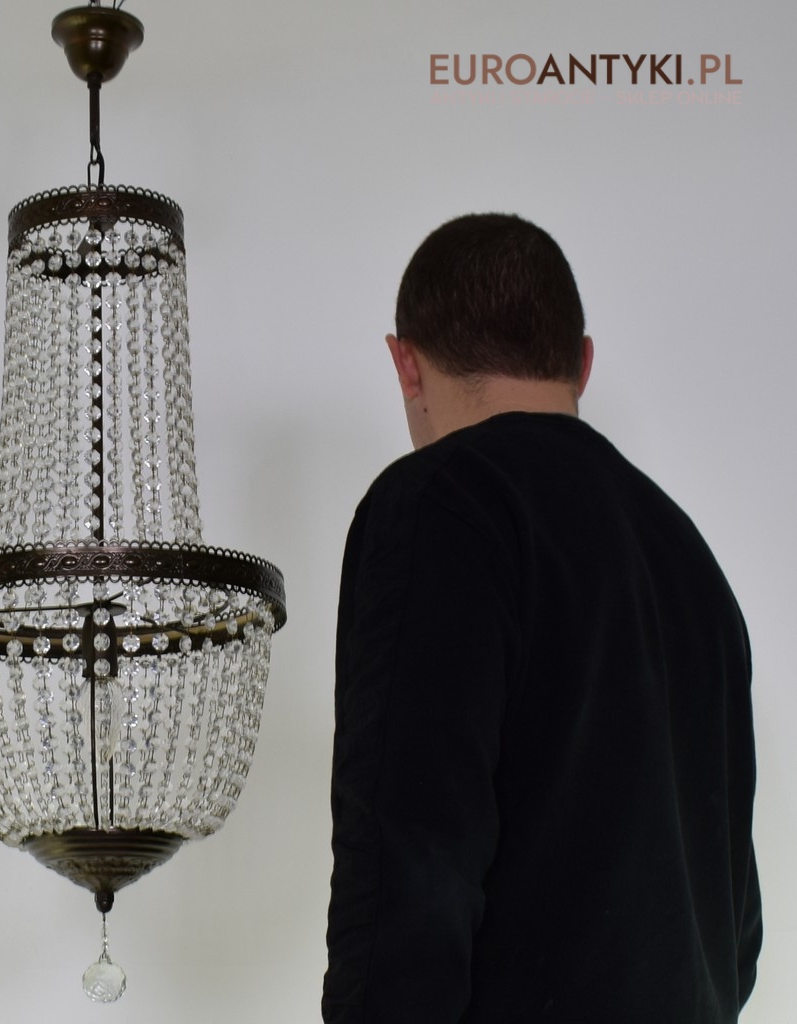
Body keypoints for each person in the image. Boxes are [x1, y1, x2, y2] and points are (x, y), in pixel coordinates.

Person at [322, 213, 761, 1023]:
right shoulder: (688, 559)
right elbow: (733, 928)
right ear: (581, 363)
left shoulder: (440, 504)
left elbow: (405, 870)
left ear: (405, 364)